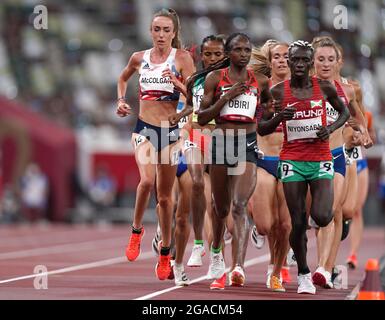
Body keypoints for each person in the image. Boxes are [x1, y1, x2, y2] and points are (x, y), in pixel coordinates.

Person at [258, 40, 350, 294]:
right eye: (295, 60)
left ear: (310, 63)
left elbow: (345, 113)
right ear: (288, 62)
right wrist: (279, 117)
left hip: (320, 158)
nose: (299, 64)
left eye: (304, 60)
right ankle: (303, 273)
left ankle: (316, 253)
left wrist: (330, 129)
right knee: (297, 222)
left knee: (322, 216)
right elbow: (261, 128)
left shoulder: (325, 87)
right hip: (292, 162)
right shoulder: (277, 92)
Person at [116, 8, 195, 280]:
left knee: (164, 197)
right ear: (150, 31)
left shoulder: (183, 58)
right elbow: (123, 78)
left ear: (174, 33)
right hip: (144, 129)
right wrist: (121, 100)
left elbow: (197, 98)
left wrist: (177, 83)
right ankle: (136, 231)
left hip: (170, 131)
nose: (161, 35)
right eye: (156, 29)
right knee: (146, 182)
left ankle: (164, 252)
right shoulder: (139, 58)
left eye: (166, 30)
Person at [198, 33, 272, 287]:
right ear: (228, 53)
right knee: (220, 208)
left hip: (247, 145)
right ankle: (216, 253)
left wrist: (275, 115)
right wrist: (227, 97)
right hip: (221, 143)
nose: (243, 54)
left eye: (247, 49)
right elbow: (202, 117)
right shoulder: (215, 79)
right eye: (238, 49)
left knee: (240, 205)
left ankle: (237, 267)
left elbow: (267, 115)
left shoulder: (261, 81)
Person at [310, 37, 372, 288]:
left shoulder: (349, 88)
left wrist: (363, 134)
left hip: (339, 154)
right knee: (314, 215)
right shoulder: (303, 86)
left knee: (336, 212)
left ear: (339, 61)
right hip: (306, 156)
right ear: (312, 61)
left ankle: (325, 267)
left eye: (330, 59)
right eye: (320, 59)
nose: (325, 64)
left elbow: (359, 117)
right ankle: (314, 261)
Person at [169, 35, 229, 289]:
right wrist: (181, 131)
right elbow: (192, 110)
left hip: (221, 142)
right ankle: (192, 250)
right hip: (195, 138)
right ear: (201, 56)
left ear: (225, 55)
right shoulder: (194, 80)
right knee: (191, 193)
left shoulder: (232, 80)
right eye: (208, 54)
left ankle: (217, 254)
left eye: (218, 54)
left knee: (219, 205)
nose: (213, 59)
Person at [248, 40, 292, 292]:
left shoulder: (302, 89)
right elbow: (251, 123)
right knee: (266, 225)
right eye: (277, 56)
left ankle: (276, 270)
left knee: (285, 225)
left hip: (291, 160)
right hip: (264, 159)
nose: (282, 60)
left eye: (287, 56)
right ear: (270, 60)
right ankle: (257, 225)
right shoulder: (258, 88)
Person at [346, 110, 376, 269]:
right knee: (338, 211)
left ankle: (353, 254)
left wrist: (366, 136)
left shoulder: (366, 114)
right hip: (340, 164)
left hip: (359, 164)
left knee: (356, 211)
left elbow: (372, 137)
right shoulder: (331, 108)